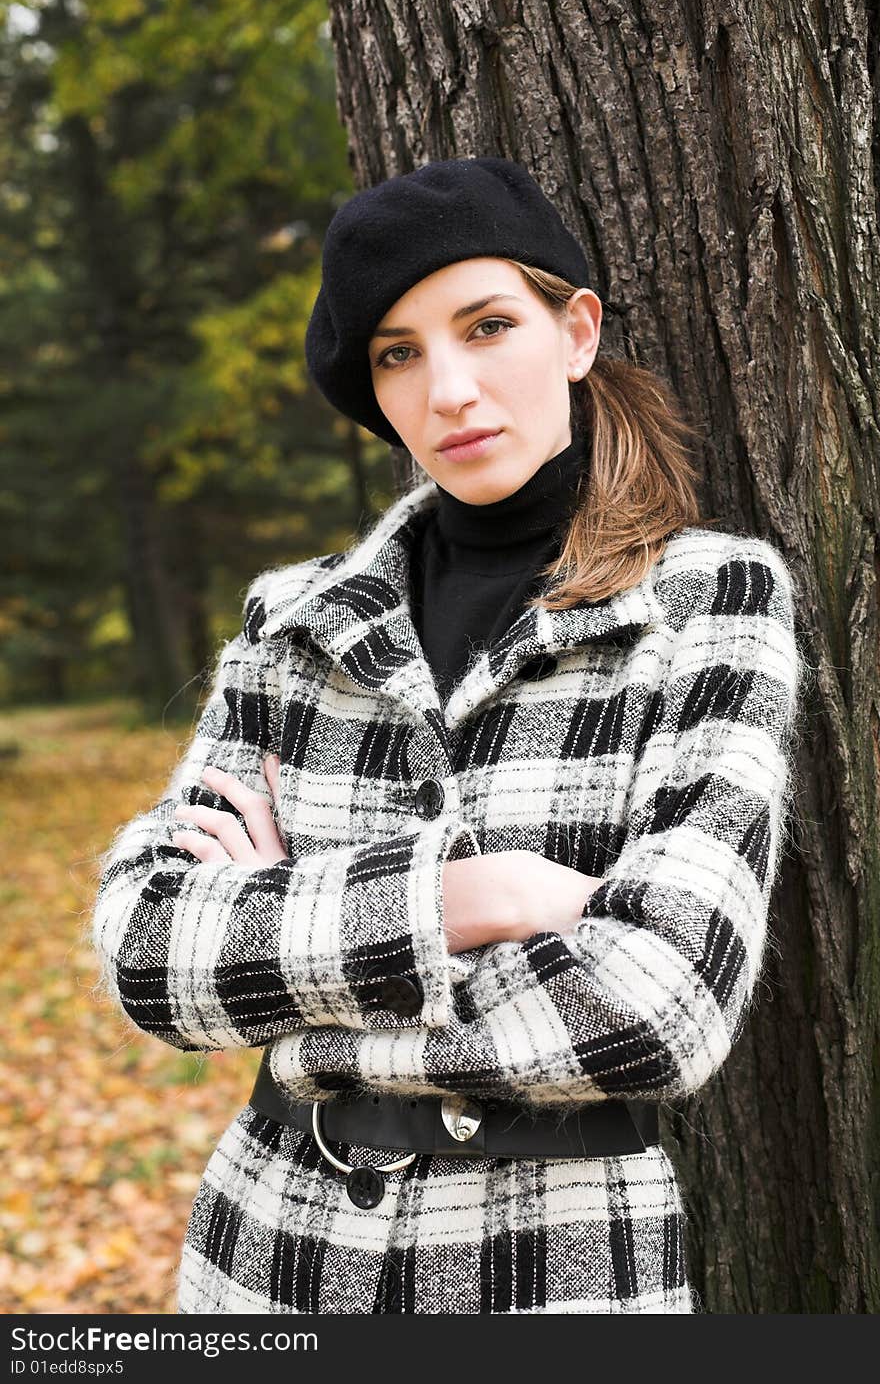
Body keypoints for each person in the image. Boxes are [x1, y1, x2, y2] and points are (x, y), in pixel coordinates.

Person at [91, 157, 802, 1314]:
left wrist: (288, 924)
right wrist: (482, 898)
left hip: (559, 1261)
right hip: (271, 1256)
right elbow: (147, 951)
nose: (450, 389)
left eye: (485, 326)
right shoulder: (296, 620)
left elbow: (662, 1005)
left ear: (575, 331)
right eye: (398, 353)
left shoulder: (707, 604)